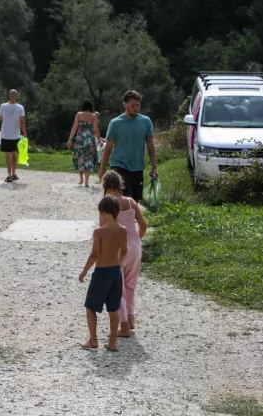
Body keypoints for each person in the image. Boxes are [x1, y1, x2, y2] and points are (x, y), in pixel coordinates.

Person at [77, 195, 128, 352]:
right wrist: (117, 263)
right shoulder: (123, 230)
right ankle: (112, 342)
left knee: (90, 306)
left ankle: (93, 340)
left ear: (103, 212)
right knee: (114, 308)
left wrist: (84, 271)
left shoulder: (99, 232)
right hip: (116, 272)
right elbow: (125, 251)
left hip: (101, 273)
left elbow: (94, 254)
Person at [101, 171, 148, 337]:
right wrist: (136, 240)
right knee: (130, 285)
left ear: (105, 187)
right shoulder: (130, 202)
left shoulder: (107, 204)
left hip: (118, 251)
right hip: (136, 248)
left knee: (117, 289)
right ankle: (130, 317)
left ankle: (124, 327)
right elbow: (143, 225)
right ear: (121, 186)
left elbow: (103, 231)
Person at [99, 90, 158, 202]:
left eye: (137, 105)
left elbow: (150, 145)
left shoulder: (145, 121)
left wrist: (154, 167)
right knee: (124, 199)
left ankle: (128, 219)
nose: (135, 108)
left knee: (134, 201)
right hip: (119, 165)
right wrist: (102, 168)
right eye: (132, 106)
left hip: (138, 167)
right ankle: (116, 219)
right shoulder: (115, 123)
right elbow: (108, 146)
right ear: (124, 104)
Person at [67, 100, 101, 186]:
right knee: (88, 159)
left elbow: (74, 128)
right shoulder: (93, 116)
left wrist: (70, 139)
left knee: (80, 158)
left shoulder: (79, 114)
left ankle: (81, 179)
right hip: (89, 139)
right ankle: (86, 181)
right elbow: (96, 129)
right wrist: (99, 140)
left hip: (80, 139)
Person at [0, 89, 28, 183]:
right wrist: (25, 134)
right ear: (16, 96)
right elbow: (22, 121)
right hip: (15, 134)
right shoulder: (20, 107)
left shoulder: (3, 106)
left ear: (8, 96)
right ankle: (14, 173)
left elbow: (0, 118)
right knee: (14, 153)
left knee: (7, 154)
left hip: (5, 134)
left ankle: (9, 175)